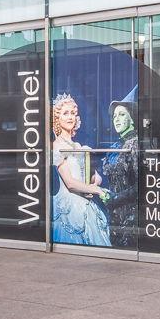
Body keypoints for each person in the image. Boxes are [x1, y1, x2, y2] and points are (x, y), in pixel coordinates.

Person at [50, 94, 111, 246]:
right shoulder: (56, 146)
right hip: (70, 205)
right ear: (57, 118)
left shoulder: (79, 147)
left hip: (87, 202)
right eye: (65, 113)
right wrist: (97, 190)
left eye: (73, 113)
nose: (70, 117)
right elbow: (70, 183)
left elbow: (91, 177)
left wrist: (94, 180)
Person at [99, 86, 142, 247]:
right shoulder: (116, 146)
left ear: (132, 118)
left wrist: (115, 198)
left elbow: (140, 185)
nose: (116, 119)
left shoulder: (135, 144)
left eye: (122, 114)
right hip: (114, 213)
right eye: (115, 115)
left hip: (131, 213)